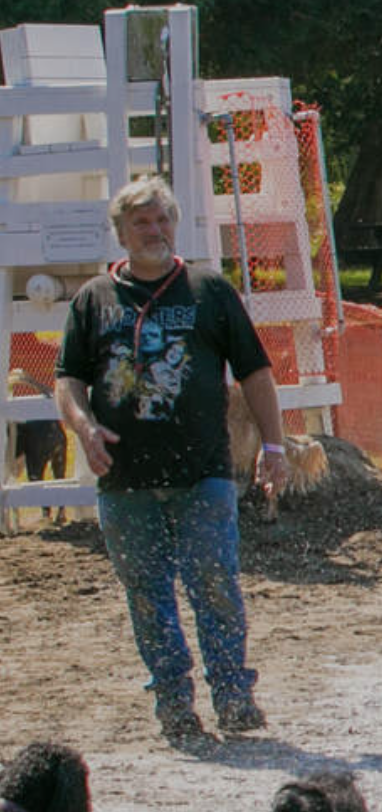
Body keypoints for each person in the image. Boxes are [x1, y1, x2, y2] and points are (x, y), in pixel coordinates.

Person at [54, 176, 287, 745]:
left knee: (213, 579)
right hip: (124, 477)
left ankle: (233, 694)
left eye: (162, 220)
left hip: (202, 470)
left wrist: (274, 445)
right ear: (122, 233)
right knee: (147, 590)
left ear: (175, 224)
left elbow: (255, 372)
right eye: (142, 222)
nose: (154, 231)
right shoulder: (94, 299)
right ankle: (174, 703)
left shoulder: (209, 292)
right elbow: (69, 380)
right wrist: (84, 429)